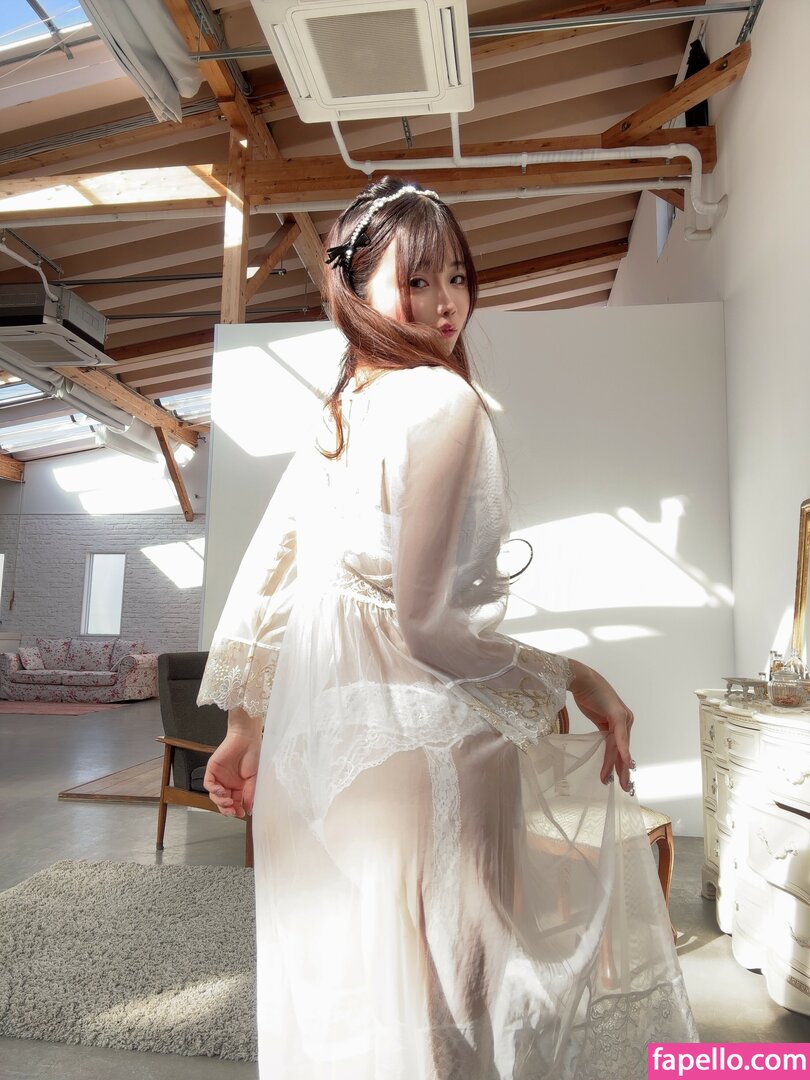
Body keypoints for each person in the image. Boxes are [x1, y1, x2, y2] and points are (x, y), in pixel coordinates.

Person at [198, 176, 697, 1079]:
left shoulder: (342, 411)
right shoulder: (443, 400)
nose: (445, 304)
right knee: (454, 1014)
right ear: (356, 285)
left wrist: (245, 725)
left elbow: (273, 575)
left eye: (458, 277)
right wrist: (570, 675)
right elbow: (426, 627)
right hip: (425, 751)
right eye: (417, 280)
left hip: (319, 758)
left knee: (351, 1010)